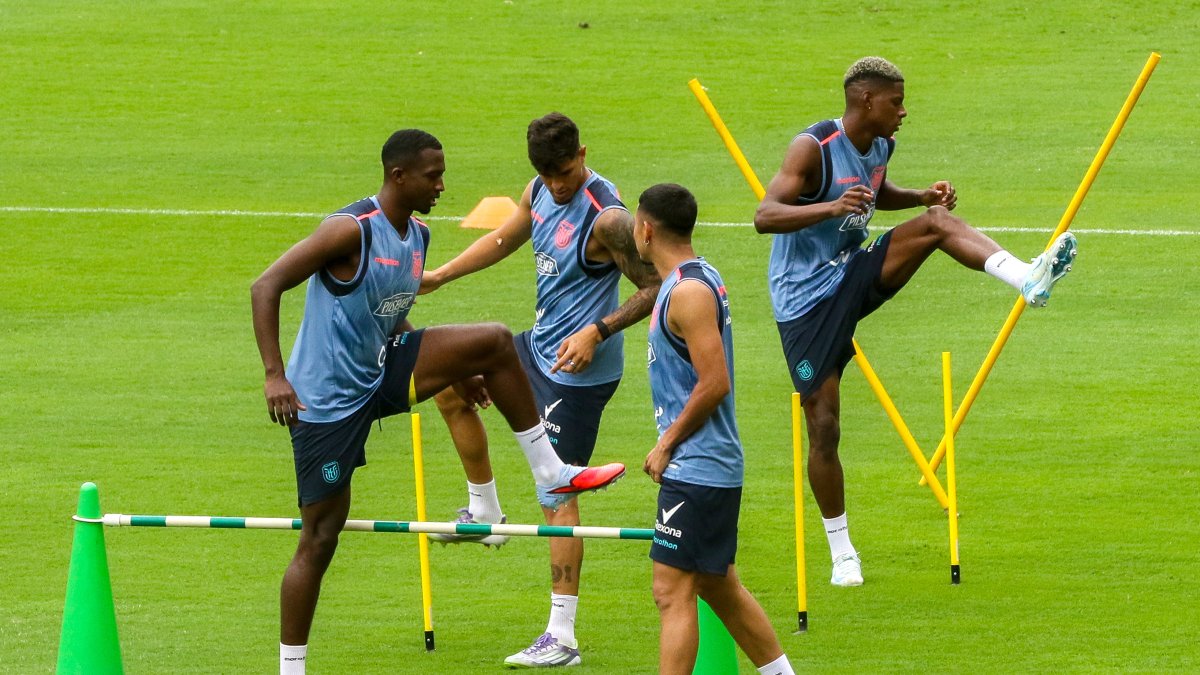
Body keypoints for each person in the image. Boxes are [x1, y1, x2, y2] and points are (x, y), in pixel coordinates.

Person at [250, 129, 625, 675]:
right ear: (398, 176)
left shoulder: (418, 235)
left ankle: (548, 472)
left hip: (380, 372)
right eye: (433, 176)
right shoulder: (349, 230)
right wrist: (274, 375)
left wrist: (452, 370)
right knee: (321, 537)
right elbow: (265, 286)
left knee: (493, 343)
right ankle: (291, 669)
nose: (443, 186)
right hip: (326, 402)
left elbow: (390, 312)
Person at [754, 56, 1078, 587]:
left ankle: (1027, 277)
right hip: (805, 301)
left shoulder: (882, 145)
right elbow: (765, 215)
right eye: (896, 102)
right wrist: (832, 208)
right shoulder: (812, 147)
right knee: (824, 423)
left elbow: (876, 192)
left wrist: (920, 196)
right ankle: (842, 553)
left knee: (935, 222)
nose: (903, 112)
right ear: (866, 100)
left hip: (851, 271)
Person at [420, 112, 661, 668]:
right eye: (547, 175)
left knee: (557, 496)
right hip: (536, 347)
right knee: (449, 384)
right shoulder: (538, 190)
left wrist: (598, 331)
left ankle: (562, 637)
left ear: (582, 154)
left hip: (578, 372)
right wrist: (441, 275)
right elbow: (504, 238)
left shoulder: (608, 219)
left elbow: (654, 285)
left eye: (564, 173)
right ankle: (485, 513)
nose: (556, 185)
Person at [637, 183, 795, 675]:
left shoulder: (687, 292)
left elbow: (714, 383)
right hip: (708, 464)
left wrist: (666, 444)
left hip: (697, 465)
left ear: (646, 230)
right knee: (717, 584)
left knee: (671, 590)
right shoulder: (695, 277)